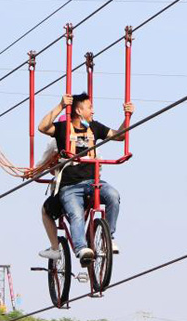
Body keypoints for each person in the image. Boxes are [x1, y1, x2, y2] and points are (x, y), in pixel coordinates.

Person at [36, 92, 134, 262]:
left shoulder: (94, 127)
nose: (92, 110)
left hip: (92, 182)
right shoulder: (62, 129)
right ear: (79, 110)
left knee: (113, 195)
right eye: (89, 107)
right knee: (76, 213)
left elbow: (119, 136)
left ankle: (107, 237)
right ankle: (81, 249)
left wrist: (128, 117)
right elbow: (42, 127)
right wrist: (61, 105)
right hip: (70, 185)